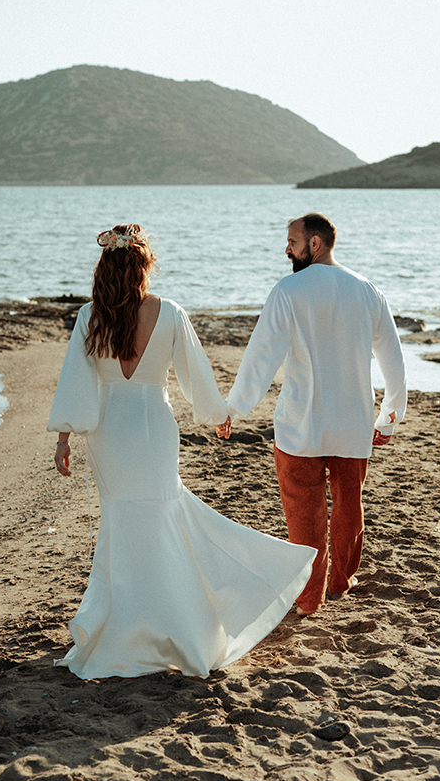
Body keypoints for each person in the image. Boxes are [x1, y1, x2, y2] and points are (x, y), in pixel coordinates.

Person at [47, 224, 316, 679]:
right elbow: (195, 375)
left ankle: (125, 627)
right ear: (144, 265)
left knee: (121, 524)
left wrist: (63, 438)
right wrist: (218, 414)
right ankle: (176, 627)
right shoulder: (169, 312)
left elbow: (76, 381)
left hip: (110, 434)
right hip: (155, 428)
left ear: (105, 267)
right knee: (161, 519)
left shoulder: (89, 315)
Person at [217, 213, 407, 617]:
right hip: (353, 423)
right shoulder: (368, 291)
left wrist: (233, 408)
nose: (287, 249)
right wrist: (390, 415)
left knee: (304, 512)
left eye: (292, 242)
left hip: (301, 424)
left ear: (314, 243)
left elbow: (261, 356)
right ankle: (340, 581)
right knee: (349, 505)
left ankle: (308, 599)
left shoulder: (288, 290)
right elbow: (393, 357)